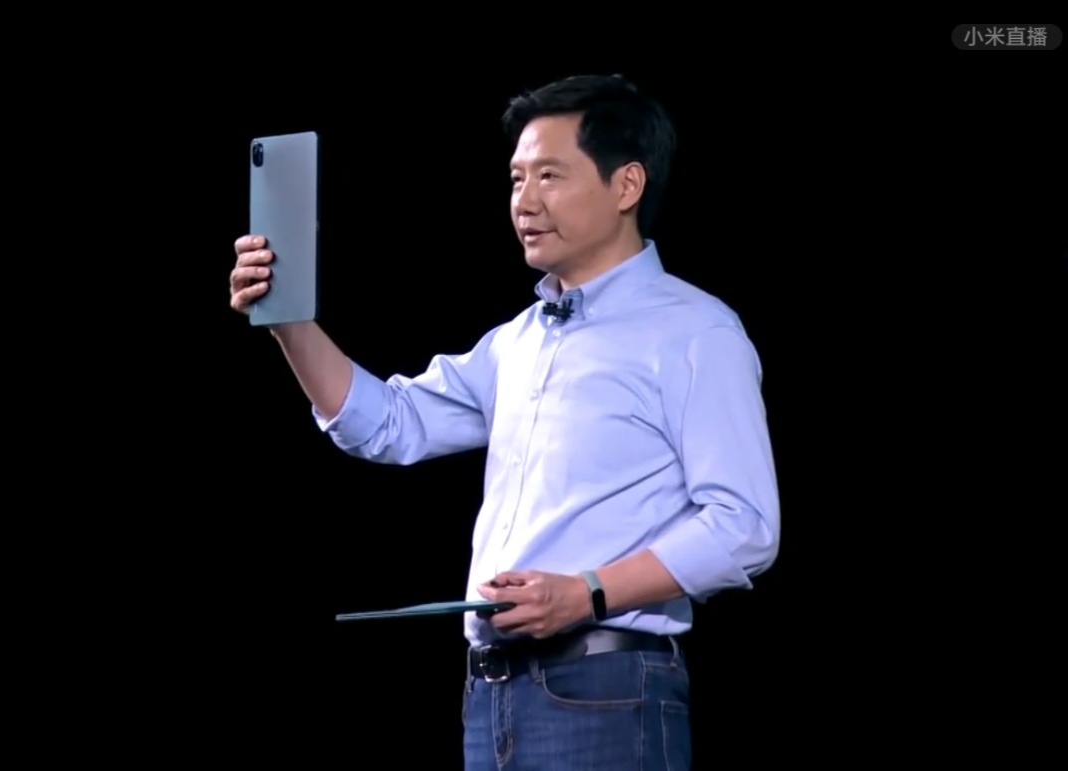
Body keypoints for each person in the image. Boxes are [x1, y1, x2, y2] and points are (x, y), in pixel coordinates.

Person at [228, 74, 780, 771]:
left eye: (549, 175)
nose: (524, 200)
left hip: (606, 686)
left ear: (626, 184)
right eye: (516, 178)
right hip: (492, 693)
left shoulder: (696, 331)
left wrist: (587, 591)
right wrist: (289, 321)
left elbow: (744, 524)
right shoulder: (516, 342)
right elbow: (389, 422)